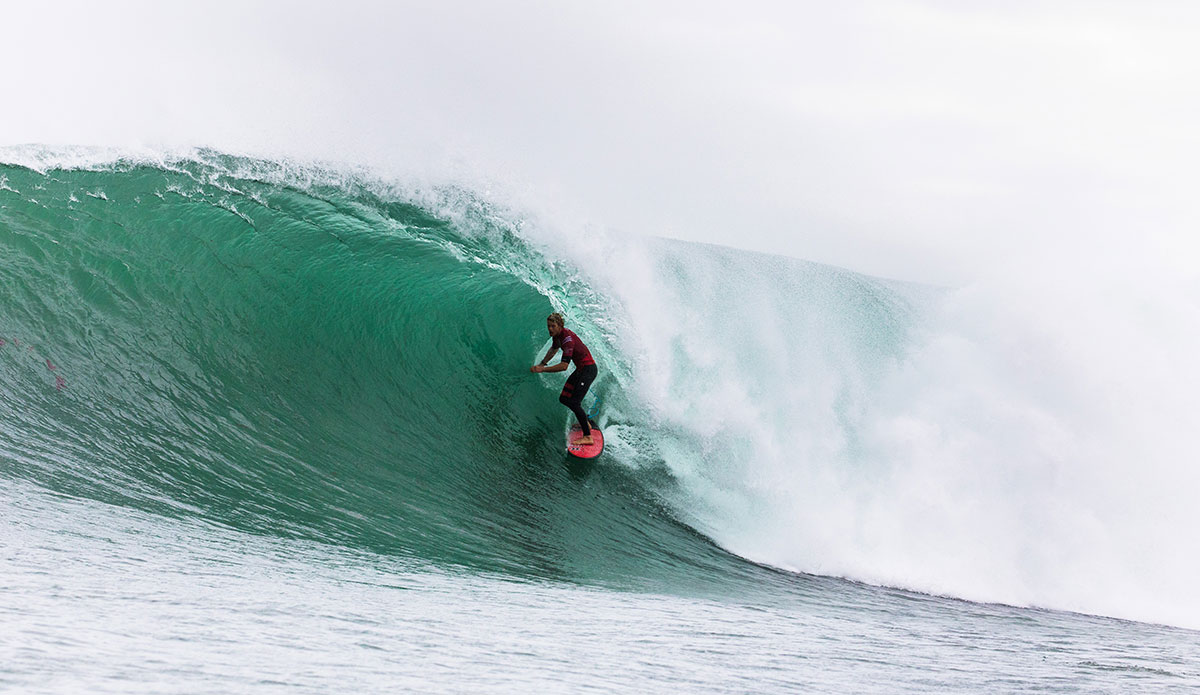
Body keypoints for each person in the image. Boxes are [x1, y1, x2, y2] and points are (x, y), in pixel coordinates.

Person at [530, 312, 598, 445]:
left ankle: (588, 436)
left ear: (560, 326)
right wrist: (542, 363)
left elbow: (564, 366)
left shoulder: (567, 339)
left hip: (588, 370)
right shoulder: (558, 336)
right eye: (548, 326)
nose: (550, 329)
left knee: (574, 402)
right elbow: (553, 349)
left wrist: (543, 370)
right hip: (581, 370)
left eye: (553, 326)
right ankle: (587, 425)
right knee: (564, 399)